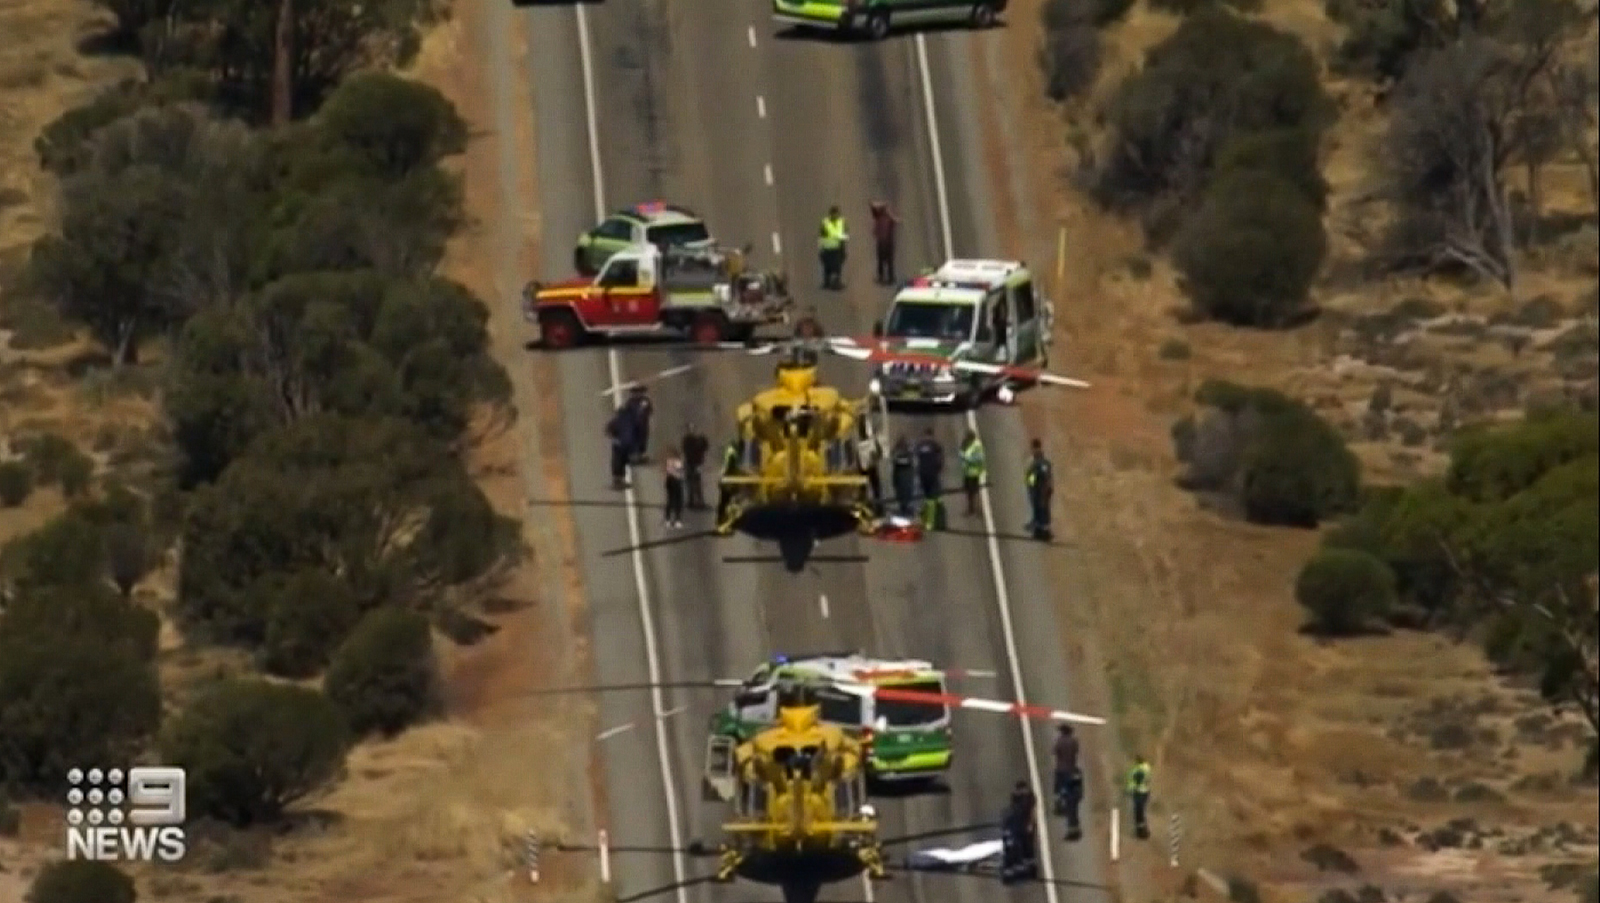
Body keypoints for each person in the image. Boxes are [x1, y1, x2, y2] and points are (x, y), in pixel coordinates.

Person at [1000, 779, 1039, 883]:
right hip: (1018, 825)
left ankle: (1027, 866)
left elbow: (1032, 811)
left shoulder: (1029, 798)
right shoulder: (1016, 802)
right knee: (1013, 846)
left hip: (1023, 824)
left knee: (1027, 846)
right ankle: (1013, 867)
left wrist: (1030, 824)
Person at [1053, 725, 1084, 841]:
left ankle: (1059, 805)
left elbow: (1055, 752)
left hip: (1062, 771)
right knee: (1073, 804)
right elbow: (1076, 752)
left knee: (1064, 795)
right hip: (1073, 770)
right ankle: (1075, 827)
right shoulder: (1074, 741)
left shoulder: (1060, 741)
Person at [1024, 439, 1054, 541]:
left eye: (1034, 449)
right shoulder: (1035, 461)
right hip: (1036, 489)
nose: (1033, 451)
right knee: (1038, 509)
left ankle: (1045, 532)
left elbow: (1045, 476)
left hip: (1041, 489)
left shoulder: (1042, 463)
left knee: (1043, 510)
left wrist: (1046, 488)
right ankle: (1038, 531)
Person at [914, 428, 945, 530]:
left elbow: (915, 458)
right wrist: (939, 468)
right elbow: (940, 458)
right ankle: (930, 523)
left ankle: (923, 519)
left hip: (922, 474)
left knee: (923, 497)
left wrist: (917, 471)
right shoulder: (936, 445)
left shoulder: (920, 445)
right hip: (932, 474)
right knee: (932, 499)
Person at [818, 205, 849, 290]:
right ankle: (837, 280)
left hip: (827, 246)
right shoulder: (841, 222)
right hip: (836, 247)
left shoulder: (825, 222)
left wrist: (821, 248)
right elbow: (844, 235)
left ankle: (827, 281)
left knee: (826, 264)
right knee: (837, 264)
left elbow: (821, 235)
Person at [605, 407, 636, 490]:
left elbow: (608, 430)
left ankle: (618, 481)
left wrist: (614, 438)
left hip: (619, 445)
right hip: (623, 446)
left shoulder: (616, 421)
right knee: (620, 462)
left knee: (619, 462)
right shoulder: (627, 422)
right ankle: (618, 482)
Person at [870, 200, 899, 284]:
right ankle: (886, 277)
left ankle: (888, 277)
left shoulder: (885, 218)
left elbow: (896, 221)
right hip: (885, 242)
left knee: (885, 261)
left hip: (886, 243)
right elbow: (873, 208)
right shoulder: (881, 218)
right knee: (882, 261)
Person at [681, 423, 709, 510]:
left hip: (694, 463)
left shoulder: (692, 440)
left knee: (694, 482)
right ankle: (693, 501)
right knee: (693, 482)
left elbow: (704, 447)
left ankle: (695, 501)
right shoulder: (689, 440)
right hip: (692, 463)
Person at [958, 429, 986, 517]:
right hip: (967, 472)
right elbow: (961, 454)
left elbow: (980, 458)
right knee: (969, 492)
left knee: (974, 491)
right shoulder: (964, 444)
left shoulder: (977, 446)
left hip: (973, 473)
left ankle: (975, 508)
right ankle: (971, 508)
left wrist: (968, 459)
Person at [856, 427, 884, 513]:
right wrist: (876, 442)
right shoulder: (870, 443)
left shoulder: (860, 445)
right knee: (875, 490)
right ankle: (878, 509)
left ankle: (866, 508)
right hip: (870, 468)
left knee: (866, 490)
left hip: (865, 469)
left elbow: (857, 458)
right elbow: (879, 454)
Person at [716, 437, 743, 525]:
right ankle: (722, 520)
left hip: (728, 482)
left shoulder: (732, 452)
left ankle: (723, 520)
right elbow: (730, 465)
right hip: (728, 482)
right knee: (726, 502)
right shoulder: (732, 453)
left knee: (725, 502)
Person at [625, 386, 654, 464]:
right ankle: (635, 456)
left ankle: (640, 456)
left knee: (642, 440)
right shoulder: (630, 402)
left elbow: (649, 411)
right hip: (635, 425)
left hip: (642, 425)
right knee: (636, 440)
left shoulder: (644, 401)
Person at [1126, 754, 1152, 840]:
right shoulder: (1147, 767)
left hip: (1138, 793)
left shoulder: (1134, 770)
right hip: (1146, 792)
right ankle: (1143, 829)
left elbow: (1131, 783)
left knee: (1138, 813)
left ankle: (1140, 832)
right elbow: (1148, 778)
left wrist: (1129, 790)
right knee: (1142, 811)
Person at [889, 436, 916, 518]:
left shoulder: (899, 451)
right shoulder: (906, 451)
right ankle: (905, 508)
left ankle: (904, 508)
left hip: (901, 475)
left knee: (903, 493)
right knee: (905, 492)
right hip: (903, 475)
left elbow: (894, 461)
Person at [662, 454, 686, 528]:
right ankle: (674, 519)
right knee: (675, 501)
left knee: (673, 501)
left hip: (673, 482)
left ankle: (670, 519)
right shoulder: (676, 462)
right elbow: (679, 473)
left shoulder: (670, 461)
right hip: (674, 481)